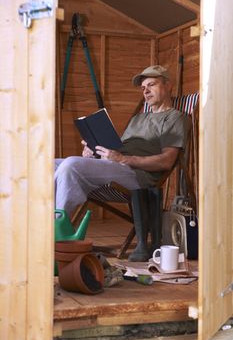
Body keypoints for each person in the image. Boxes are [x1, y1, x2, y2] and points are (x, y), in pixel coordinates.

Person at [55, 65, 191, 261]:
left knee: (71, 165)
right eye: (143, 87)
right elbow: (118, 152)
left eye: (151, 85)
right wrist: (94, 152)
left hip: (137, 174)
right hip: (116, 166)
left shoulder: (176, 118)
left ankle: (57, 232)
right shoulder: (138, 118)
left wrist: (122, 159)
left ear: (168, 85)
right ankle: (45, 224)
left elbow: (166, 161)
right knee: (51, 165)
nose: (145, 90)